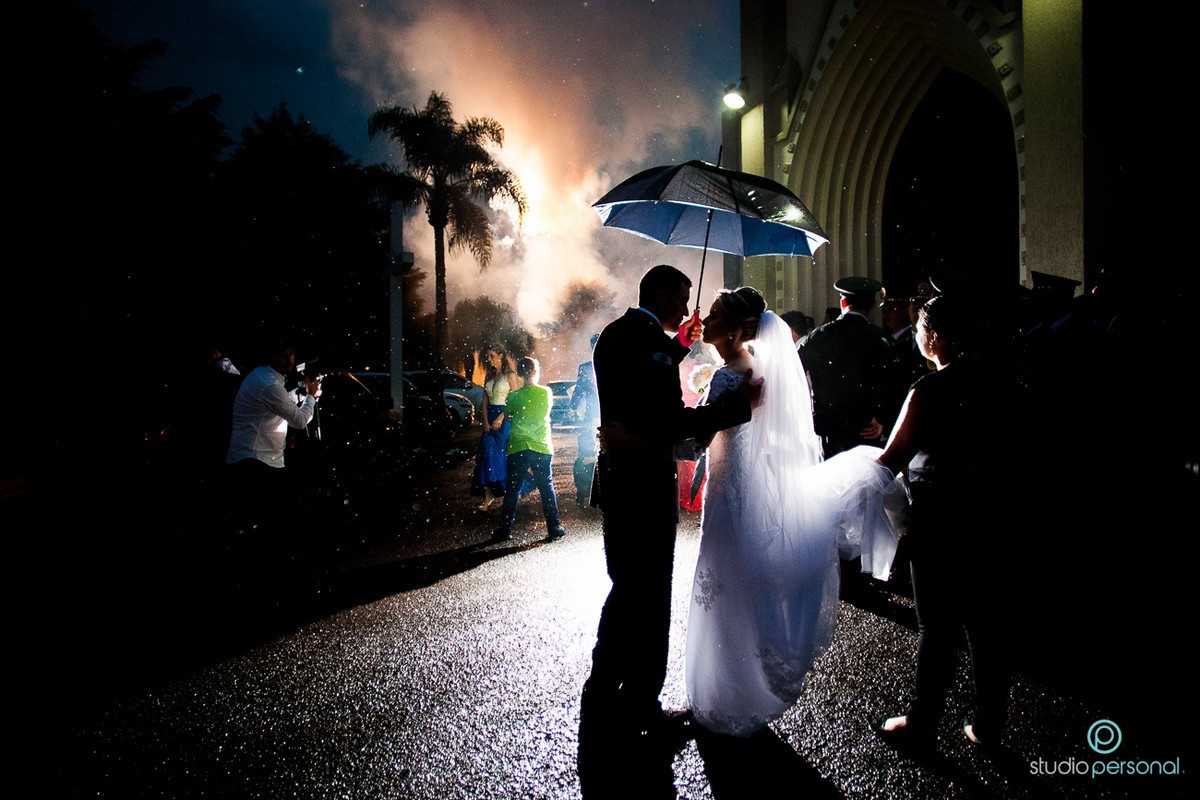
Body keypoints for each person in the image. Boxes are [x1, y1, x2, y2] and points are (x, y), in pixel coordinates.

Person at [683, 288, 898, 737]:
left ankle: (725, 691)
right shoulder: (759, 371)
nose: (707, 319)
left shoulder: (728, 378)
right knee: (740, 580)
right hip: (747, 485)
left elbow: (697, 440)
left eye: (716, 315)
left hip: (729, 493)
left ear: (738, 329)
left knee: (723, 581)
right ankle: (748, 683)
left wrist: (691, 420)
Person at [583, 264, 756, 737]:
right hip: (641, 481)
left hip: (623, 478)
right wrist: (729, 409)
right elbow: (667, 416)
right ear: (660, 296)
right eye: (681, 300)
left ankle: (604, 690)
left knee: (629, 585)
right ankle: (638, 699)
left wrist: (680, 342)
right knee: (649, 589)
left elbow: (655, 364)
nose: (687, 309)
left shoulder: (624, 333)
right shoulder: (637, 340)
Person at [874, 295, 1014, 748]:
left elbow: (891, 459)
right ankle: (990, 721)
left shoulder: (929, 390)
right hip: (992, 512)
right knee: (987, 621)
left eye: (919, 327)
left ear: (933, 336)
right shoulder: (1002, 382)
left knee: (937, 623)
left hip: (940, 517)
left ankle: (922, 719)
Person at [800, 277, 892, 458]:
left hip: (828, 426)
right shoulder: (878, 338)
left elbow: (797, 370)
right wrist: (881, 418)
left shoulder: (820, 335)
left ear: (843, 302)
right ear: (873, 304)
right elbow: (890, 382)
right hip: (864, 427)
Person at [492, 357, 565, 542]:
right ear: (535, 371)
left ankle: (505, 529)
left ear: (519, 374)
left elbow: (507, 417)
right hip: (541, 446)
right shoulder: (546, 392)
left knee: (512, 490)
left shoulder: (515, 396)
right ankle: (554, 527)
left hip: (518, 447)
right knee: (546, 487)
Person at [473, 345, 522, 509]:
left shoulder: (510, 376)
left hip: (505, 418)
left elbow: (515, 400)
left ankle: (523, 488)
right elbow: (485, 401)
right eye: (488, 356)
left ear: (501, 356)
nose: (489, 359)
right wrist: (485, 421)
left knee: (504, 456)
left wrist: (502, 417)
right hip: (490, 417)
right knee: (486, 455)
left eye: (492, 356)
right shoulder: (489, 375)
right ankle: (488, 497)